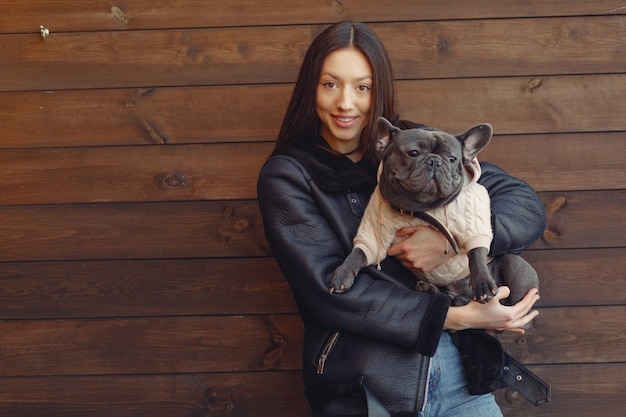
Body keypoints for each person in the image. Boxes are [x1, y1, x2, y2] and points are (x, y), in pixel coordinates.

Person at [257, 21, 545, 417]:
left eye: (362, 87)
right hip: (370, 383)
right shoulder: (289, 176)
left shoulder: (418, 144)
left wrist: (450, 241)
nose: (346, 103)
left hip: (463, 375)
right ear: (311, 87)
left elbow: (524, 205)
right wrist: (458, 317)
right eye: (330, 84)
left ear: (379, 91)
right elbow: (328, 290)